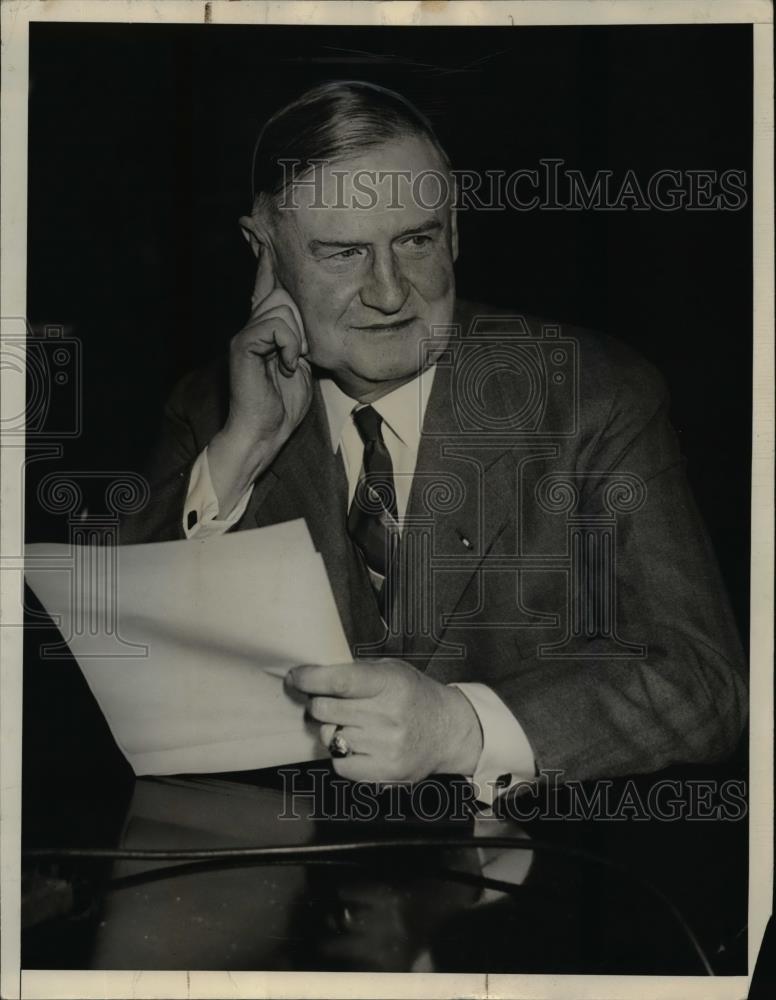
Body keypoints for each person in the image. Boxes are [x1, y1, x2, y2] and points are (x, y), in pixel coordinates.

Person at [119, 80, 747, 801]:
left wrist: (461, 729)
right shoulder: (213, 409)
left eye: (415, 240)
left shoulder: (593, 395)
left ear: (454, 233)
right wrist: (243, 450)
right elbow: (124, 663)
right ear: (263, 251)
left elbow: (707, 685)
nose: (389, 292)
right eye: (343, 253)